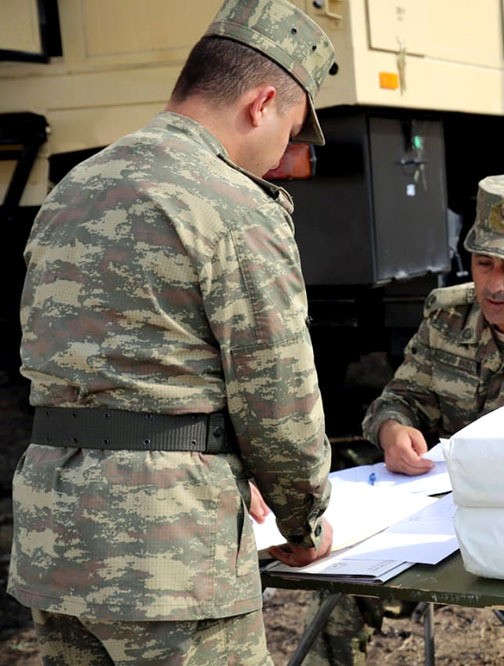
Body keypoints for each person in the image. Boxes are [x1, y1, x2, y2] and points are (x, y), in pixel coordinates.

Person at [8, 0, 338, 663]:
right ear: (262, 102)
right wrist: (305, 524)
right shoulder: (235, 206)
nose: (282, 155)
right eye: (292, 130)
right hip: (168, 560)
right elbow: (277, 400)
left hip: (56, 545)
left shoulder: (73, 189)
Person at [303, 173, 504, 666]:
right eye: (483, 264)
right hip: (437, 518)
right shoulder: (446, 315)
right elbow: (400, 397)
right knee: (339, 587)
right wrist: (394, 431)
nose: (493, 285)